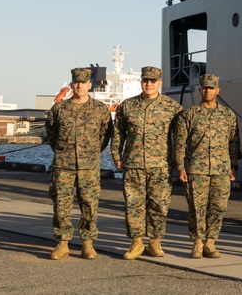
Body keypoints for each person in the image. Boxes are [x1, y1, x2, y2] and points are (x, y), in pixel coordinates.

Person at [111, 65, 182, 259]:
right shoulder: (127, 106)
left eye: (152, 81)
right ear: (141, 82)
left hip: (161, 165)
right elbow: (118, 134)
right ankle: (136, 242)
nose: (148, 84)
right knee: (134, 205)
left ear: (160, 83)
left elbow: (180, 136)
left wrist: (179, 159)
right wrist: (117, 157)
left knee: (159, 205)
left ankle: (155, 242)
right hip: (133, 164)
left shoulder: (172, 107)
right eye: (145, 80)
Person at [45, 67, 113, 260]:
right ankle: (62, 242)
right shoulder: (59, 109)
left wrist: (91, 153)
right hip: (63, 165)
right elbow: (52, 134)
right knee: (61, 205)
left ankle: (88, 243)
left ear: (89, 85)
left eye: (83, 82)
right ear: (72, 84)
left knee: (90, 205)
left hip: (88, 167)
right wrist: (63, 152)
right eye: (76, 82)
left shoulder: (100, 109)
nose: (79, 85)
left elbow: (105, 136)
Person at [173, 73, 242, 259]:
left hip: (221, 169)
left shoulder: (228, 115)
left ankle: (210, 242)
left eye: (211, 88)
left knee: (218, 207)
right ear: (200, 90)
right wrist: (180, 167)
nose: (208, 91)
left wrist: (234, 164)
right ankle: (197, 243)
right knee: (196, 208)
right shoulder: (189, 115)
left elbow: (233, 142)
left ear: (217, 91)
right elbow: (180, 142)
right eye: (205, 88)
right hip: (196, 169)